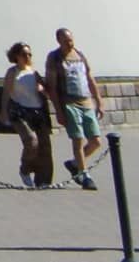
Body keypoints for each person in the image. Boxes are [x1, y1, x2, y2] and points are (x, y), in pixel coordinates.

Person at [49, 30, 105, 191]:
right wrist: (58, 110)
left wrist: (99, 101)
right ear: (58, 41)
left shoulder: (80, 55)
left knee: (95, 141)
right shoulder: (54, 58)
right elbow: (52, 87)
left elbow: (89, 78)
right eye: (66, 41)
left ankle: (74, 164)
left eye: (71, 40)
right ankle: (84, 174)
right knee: (78, 140)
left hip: (86, 101)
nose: (70, 43)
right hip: (69, 103)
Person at [3, 42, 55, 187]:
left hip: (37, 111)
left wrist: (43, 88)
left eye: (29, 54)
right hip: (19, 111)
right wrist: (3, 111)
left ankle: (43, 180)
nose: (27, 57)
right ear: (16, 56)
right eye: (24, 54)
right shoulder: (13, 72)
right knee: (31, 141)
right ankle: (25, 169)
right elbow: (6, 92)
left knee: (45, 146)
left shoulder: (34, 72)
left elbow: (46, 91)